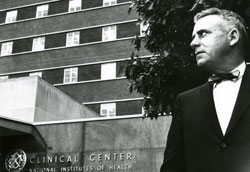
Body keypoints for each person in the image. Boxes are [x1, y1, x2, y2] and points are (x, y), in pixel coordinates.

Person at [160, 8, 250, 172]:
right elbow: (172, 167)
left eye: (202, 33)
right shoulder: (185, 102)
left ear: (233, 37)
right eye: (194, 37)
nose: (193, 43)